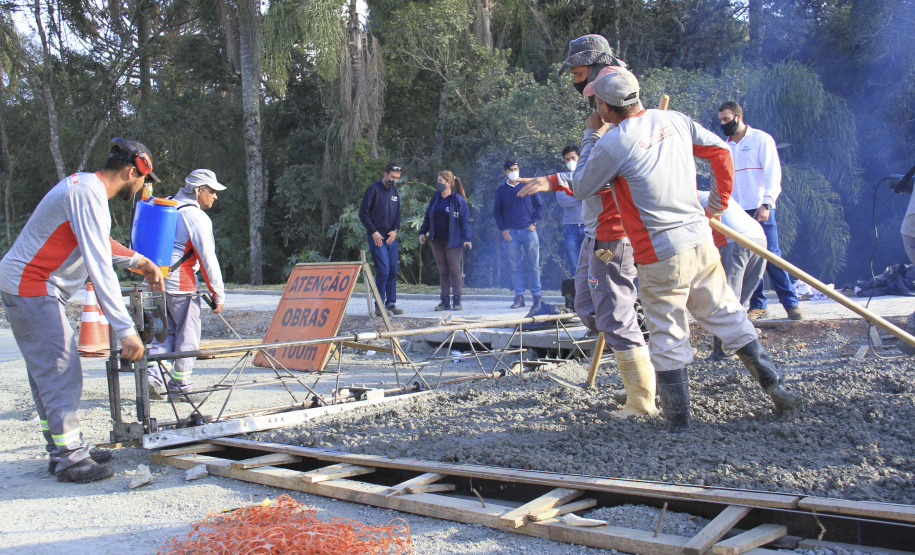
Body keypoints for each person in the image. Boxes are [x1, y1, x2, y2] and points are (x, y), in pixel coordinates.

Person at [521, 68, 800, 432]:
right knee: (728, 314)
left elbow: (585, 185)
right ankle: (777, 388)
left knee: (668, 334)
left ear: (604, 107)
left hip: (659, 251)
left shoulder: (614, 142)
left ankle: (678, 424)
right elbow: (720, 152)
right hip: (700, 241)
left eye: (597, 104)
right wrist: (717, 203)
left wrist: (590, 135)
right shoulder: (676, 120)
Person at [0, 138, 164, 483]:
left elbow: (98, 241)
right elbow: (99, 263)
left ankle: (66, 448)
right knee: (62, 369)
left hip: (37, 285)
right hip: (32, 284)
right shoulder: (86, 194)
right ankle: (71, 459)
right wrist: (126, 330)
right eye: (143, 180)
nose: (142, 187)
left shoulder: (87, 190)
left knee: (49, 373)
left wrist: (140, 261)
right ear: (132, 172)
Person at [517, 40, 657, 418]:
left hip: (614, 231)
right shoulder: (605, 113)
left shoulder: (618, 123)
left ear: (598, 73)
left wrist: (590, 136)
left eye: (580, 75)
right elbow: (584, 175)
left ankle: (642, 399)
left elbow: (587, 179)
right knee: (587, 307)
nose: (577, 85)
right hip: (594, 230)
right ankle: (628, 344)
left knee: (614, 314)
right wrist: (555, 179)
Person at [718, 101, 803, 321]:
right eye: (721, 120)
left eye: (726, 119)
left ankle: (791, 304)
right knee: (747, 259)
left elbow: (772, 173)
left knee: (772, 256)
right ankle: (758, 305)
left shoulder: (761, 139)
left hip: (759, 207)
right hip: (736, 211)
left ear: (738, 116)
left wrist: (767, 203)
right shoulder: (724, 146)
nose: (723, 123)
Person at [147, 169, 226, 403]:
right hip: (181, 284)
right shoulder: (195, 216)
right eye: (212, 191)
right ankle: (180, 386)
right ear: (198, 190)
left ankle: (153, 378)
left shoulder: (166, 205)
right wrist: (218, 293)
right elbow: (207, 258)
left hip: (154, 281)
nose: (215, 196)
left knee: (162, 333)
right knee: (188, 335)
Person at [697, 190, 766, 360]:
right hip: (759, 239)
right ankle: (740, 348)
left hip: (732, 239)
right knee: (738, 302)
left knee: (725, 299)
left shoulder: (688, 200)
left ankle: (724, 351)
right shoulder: (710, 195)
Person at [493, 160, 544, 310]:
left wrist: (534, 223)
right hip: (511, 233)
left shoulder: (528, 185)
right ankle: (519, 297)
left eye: (515, 168)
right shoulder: (501, 190)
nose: (513, 171)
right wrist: (503, 229)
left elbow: (539, 206)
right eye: (510, 169)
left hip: (529, 231)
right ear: (506, 172)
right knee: (515, 266)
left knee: (534, 266)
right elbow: (497, 211)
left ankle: (537, 297)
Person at [419, 171, 472, 311]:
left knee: (454, 270)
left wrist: (467, 238)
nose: (438, 183)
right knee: (443, 270)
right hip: (437, 239)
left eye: (440, 181)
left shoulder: (458, 200)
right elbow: (427, 217)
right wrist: (422, 232)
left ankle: (457, 300)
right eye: (438, 180)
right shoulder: (435, 198)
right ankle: (444, 300)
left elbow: (465, 221)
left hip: (453, 240)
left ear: (448, 183)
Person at [359, 163, 405, 316]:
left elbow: (398, 213)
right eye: (392, 177)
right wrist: (373, 232)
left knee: (393, 270)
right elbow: (363, 213)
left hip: (391, 237)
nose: (394, 180)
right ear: (385, 174)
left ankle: (391, 303)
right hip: (377, 236)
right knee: (383, 270)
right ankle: (379, 306)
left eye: (397, 178)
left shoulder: (394, 191)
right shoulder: (373, 189)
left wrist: (395, 231)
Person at [557, 146, 585, 275]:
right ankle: (577, 288)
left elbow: (594, 197)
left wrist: (572, 194)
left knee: (593, 265)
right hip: (570, 227)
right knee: (575, 267)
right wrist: (582, 196)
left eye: (573, 158)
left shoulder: (589, 177)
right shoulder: (562, 178)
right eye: (567, 159)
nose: (570, 161)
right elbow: (563, 201)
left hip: (589, 226)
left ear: (579, 157)